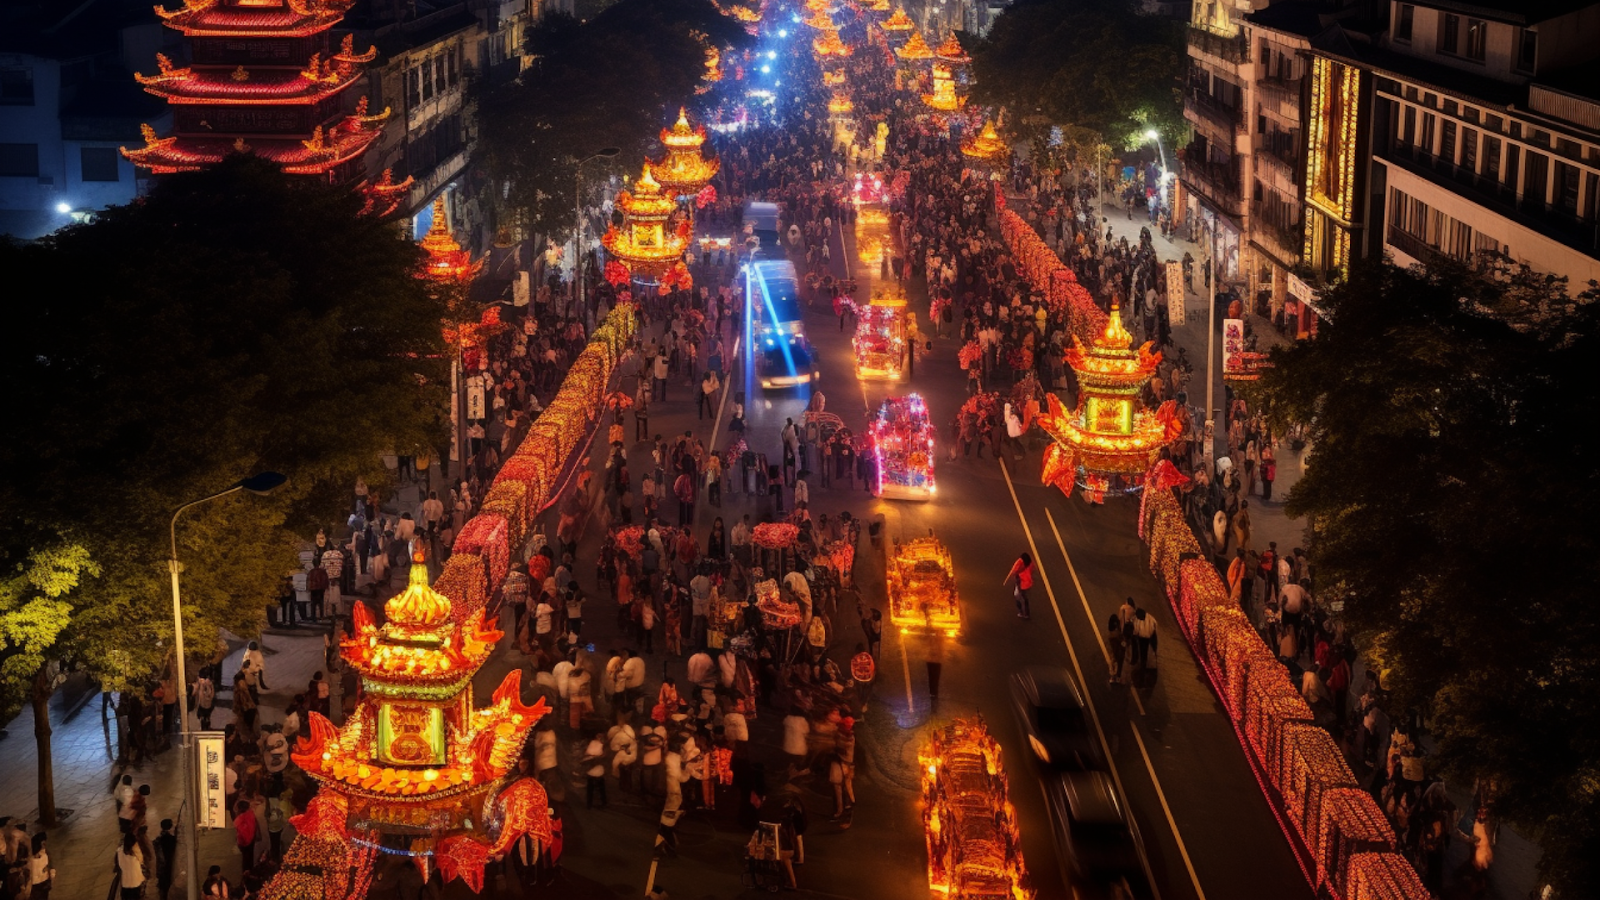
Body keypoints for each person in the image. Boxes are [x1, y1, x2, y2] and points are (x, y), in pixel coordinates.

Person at [113, 833, 145, 900]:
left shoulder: (119, 851)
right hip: (135, 881)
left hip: (125, 882)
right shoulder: (135, 854)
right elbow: (141, 860)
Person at [1003, 552, 1034, 619]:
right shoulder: (1029, 566)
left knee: (1018, 597)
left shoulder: (1021, 567)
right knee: (1023, 597)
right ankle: (1026, 613)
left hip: (1022, 584)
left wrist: (1009, 580)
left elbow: (1015, 572)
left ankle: (1022, 612)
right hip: (1027, 584)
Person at [583, 732, 609, 809]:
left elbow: (587, 753)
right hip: (598, 769)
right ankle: (603, 802)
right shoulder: (604, 746)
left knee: (591, 787)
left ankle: (589, 804)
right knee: (600, 787)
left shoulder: (592, 743)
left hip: (592, 769)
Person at [153, 819, 177, 900]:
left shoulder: (159, 838)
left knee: (162, 886)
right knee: (166, 885)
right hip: (167, 865)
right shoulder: (170, 839)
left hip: (160, 866)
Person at [232, 799, 257, 873]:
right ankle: (251, 873)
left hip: (244, 843)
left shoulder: (239, 820)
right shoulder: (251, 814)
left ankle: (246, 875)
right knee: (250, 858)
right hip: (252, 839)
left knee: (245, 860)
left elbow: (242, 833)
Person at [28, 833, 53, 900]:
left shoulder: (46, 854)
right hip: (34, 885)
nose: (44, 846)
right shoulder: (29, 858)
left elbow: (50, 866)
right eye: (43, 844)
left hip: (44, 883)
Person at [1106, 614, 1127, 684]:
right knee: (1119, 663)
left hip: (1114, 650)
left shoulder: (1111, 635)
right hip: (1119, 651)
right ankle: (1118, 677)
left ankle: (1112, 676)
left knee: (1113, 661)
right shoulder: (1118, 634)